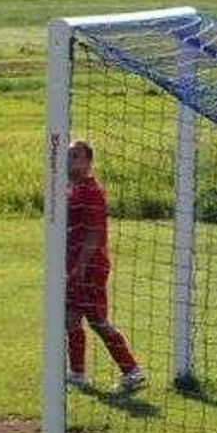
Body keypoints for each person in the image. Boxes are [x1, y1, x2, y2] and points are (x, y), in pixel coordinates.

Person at [66, 140, 146, 394]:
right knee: (70, 318)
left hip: (90, 266)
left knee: (98, 321)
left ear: (88, 161)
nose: (70, 160)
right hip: (74, 265)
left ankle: (132, 371)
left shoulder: (91, 191)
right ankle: (77, 373)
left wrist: (81, 266)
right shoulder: (72, 189)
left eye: (75, 156)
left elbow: (93, 234)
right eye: (68, 155)